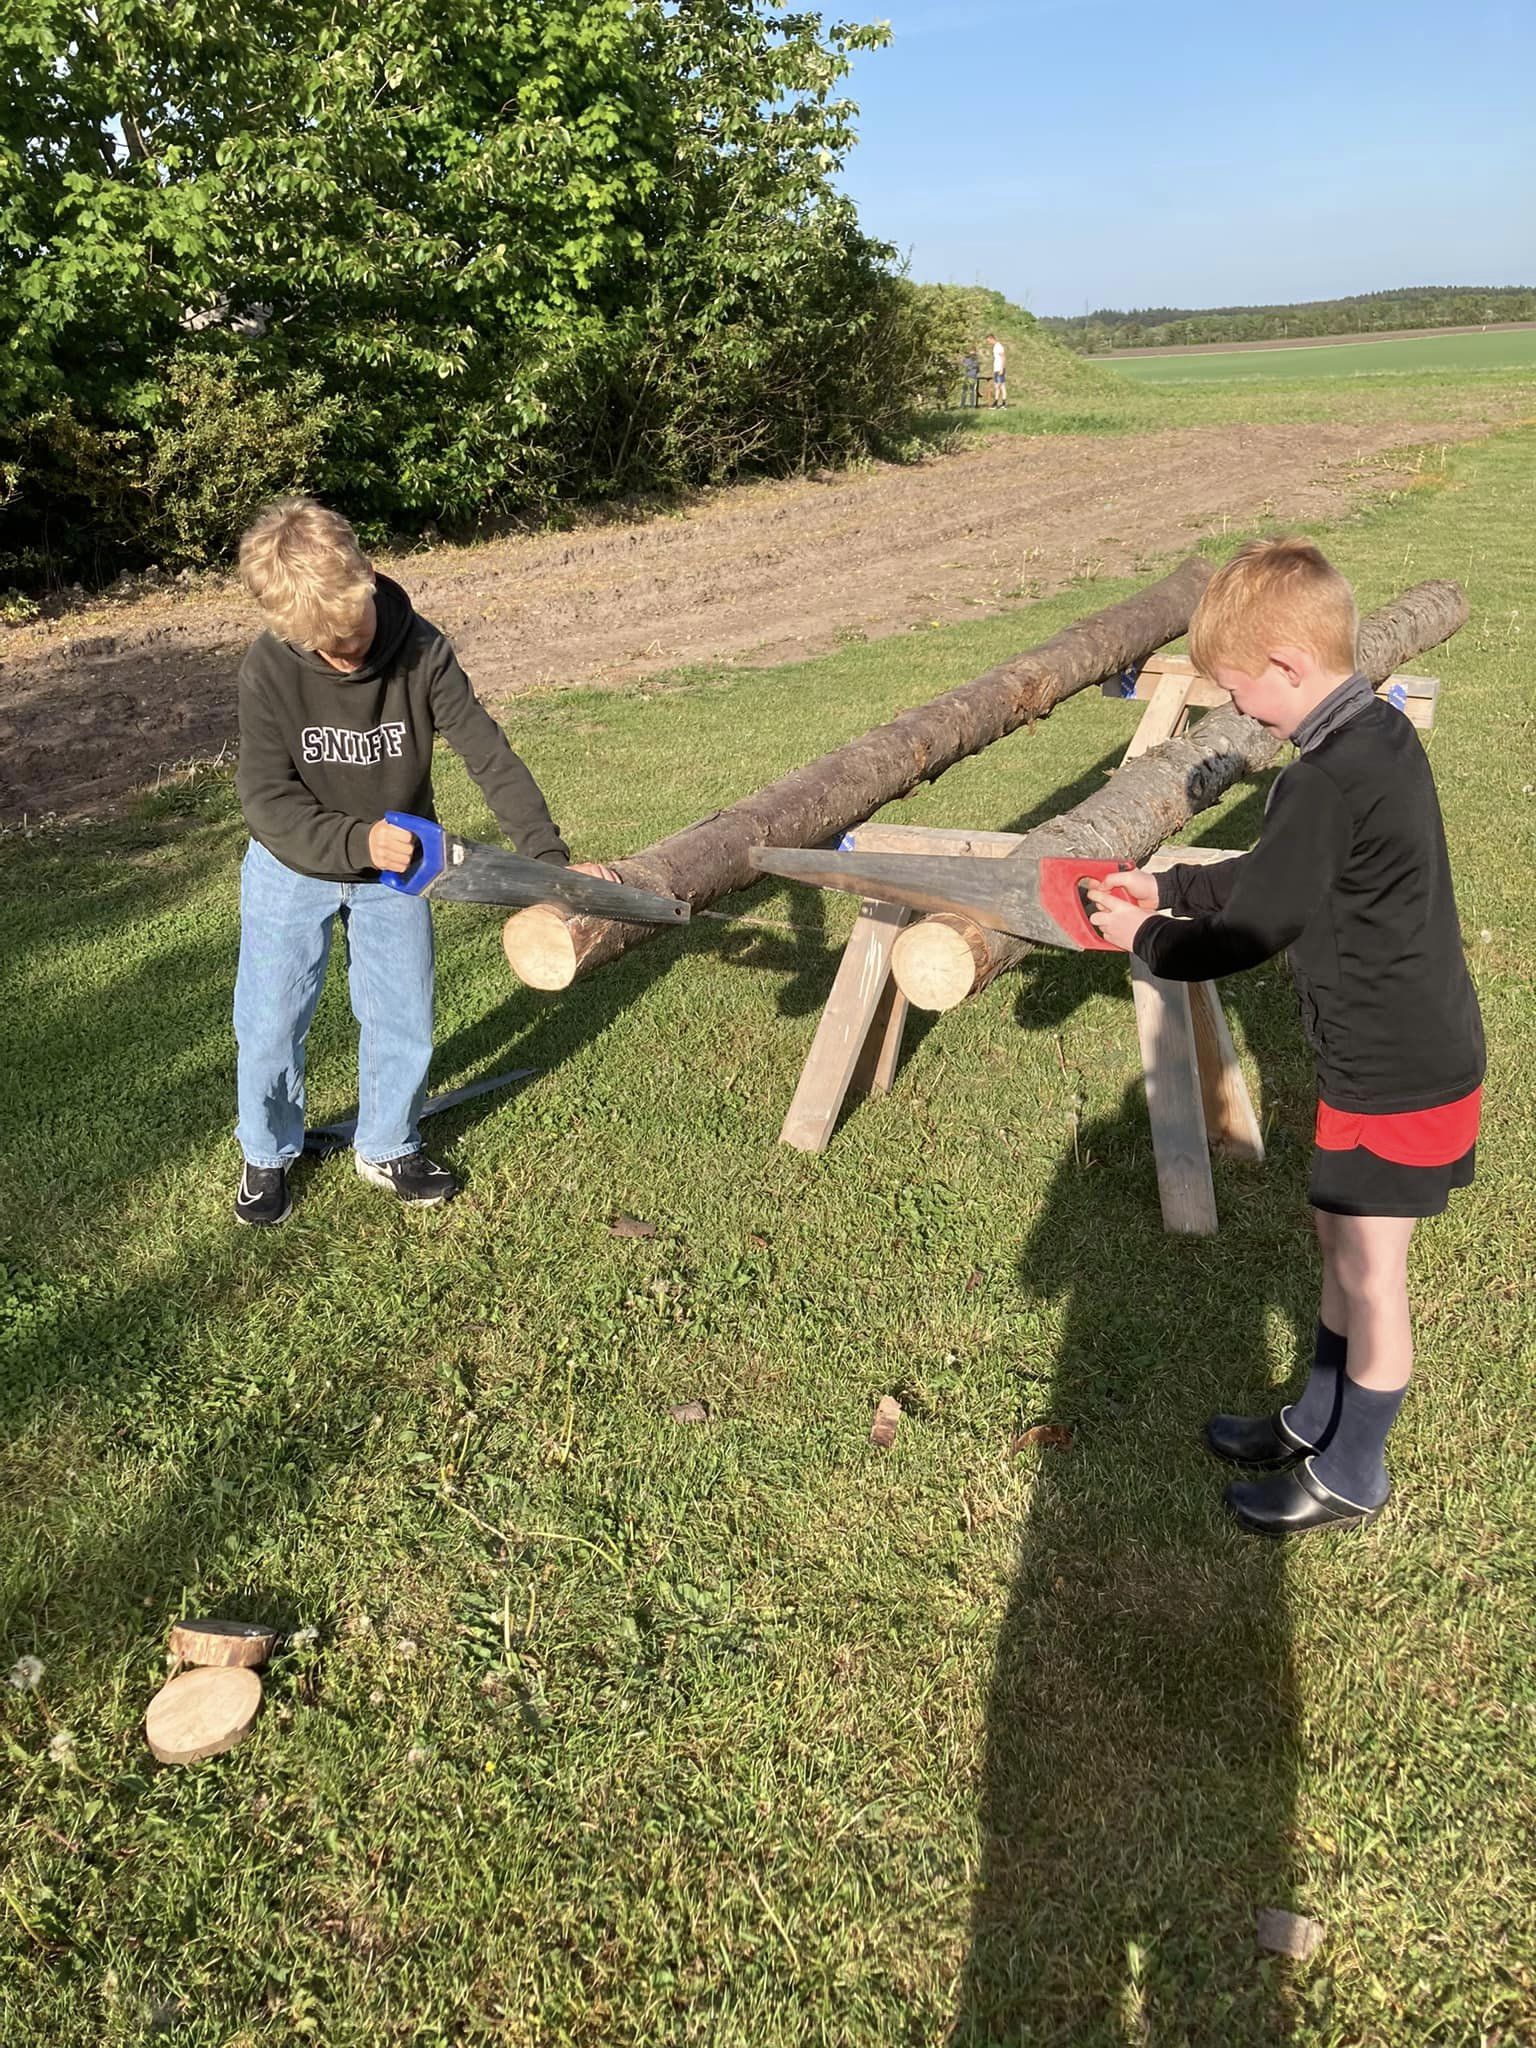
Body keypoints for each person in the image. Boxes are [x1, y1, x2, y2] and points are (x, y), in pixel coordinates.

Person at [1086, 538, 1484, 1537]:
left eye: (1237, 690)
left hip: (1399, 1069)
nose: (1239, 710)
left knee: (1372, 1270)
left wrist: (1149, 938)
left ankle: (1352, 1472)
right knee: (1336, 1237)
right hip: (1382, 1057)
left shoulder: (1327, 777)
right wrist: (1168, 884)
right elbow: (1280, 870)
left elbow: (1254, 929)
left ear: (1288, 665)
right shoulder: (1371, 735)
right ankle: (1315, 1418)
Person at [231, 497, 610, 1226]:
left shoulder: (422, 649)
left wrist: (548, 866)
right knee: (271, 1021)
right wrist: (355, 842)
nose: (345, 655)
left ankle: (387, 1144)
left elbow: (489, 756)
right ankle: (267, 1153)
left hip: (399, 871)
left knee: (403, 1013)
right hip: (291, 866)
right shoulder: (269, 667)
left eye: (351, 634)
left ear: (367, 579)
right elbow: (266, 799)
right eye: (324, 647)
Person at [987, 332, 1007, 407]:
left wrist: (1002, 368)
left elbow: (1003, 357)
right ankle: (999, 402)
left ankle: (1000, 402)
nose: (988, 343)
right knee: (999, 386)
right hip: (996, 369)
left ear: (992, 339)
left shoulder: (999, 346)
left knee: (1000, 386)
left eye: (989, 341)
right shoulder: (995, 347)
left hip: (999, 368)